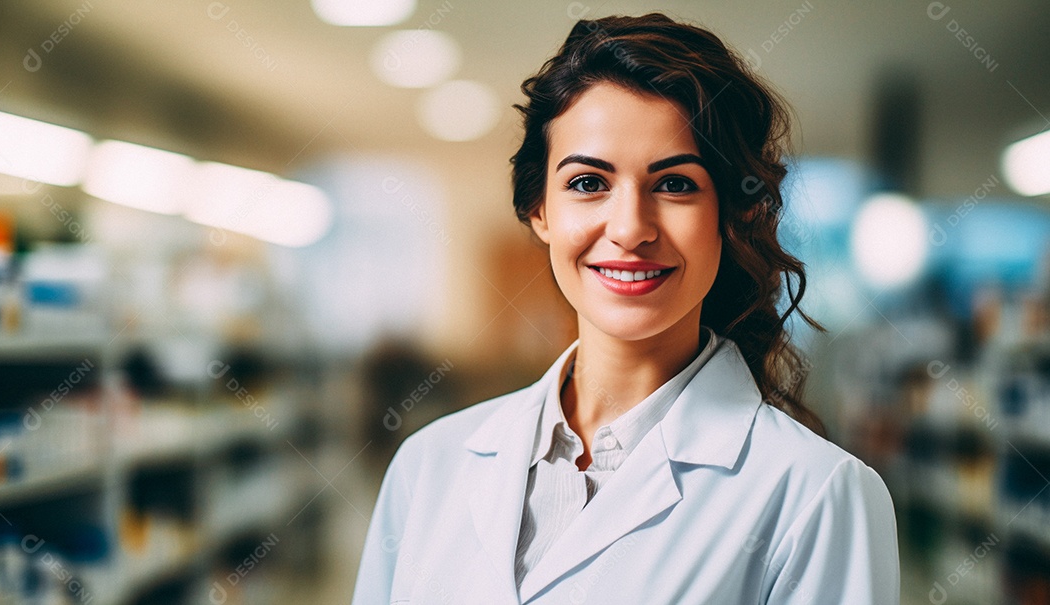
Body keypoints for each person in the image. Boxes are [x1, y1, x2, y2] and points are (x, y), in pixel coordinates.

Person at [352, 12, 900, 604]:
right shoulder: (429, 466)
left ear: (733, 215)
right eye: (589, 183)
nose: (631, 228)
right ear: (540, 210)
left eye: (675, 184)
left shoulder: (816, 495)